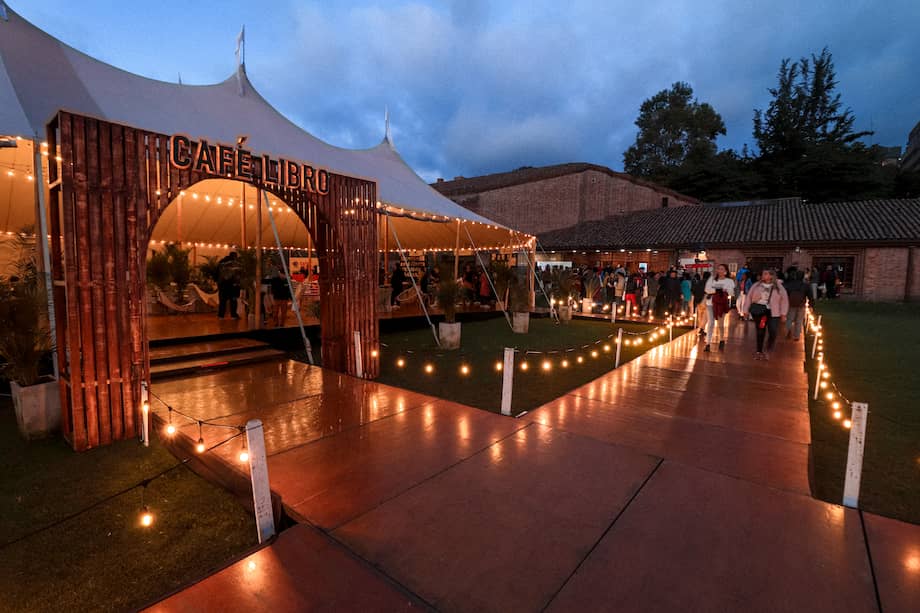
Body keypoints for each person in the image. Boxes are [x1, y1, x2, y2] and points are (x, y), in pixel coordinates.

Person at [743, 269, 789, 360]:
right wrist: (745, 310)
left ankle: (768, 349)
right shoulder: (756, 285)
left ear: (771, 276)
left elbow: (784, 300)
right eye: (763, 273)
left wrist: (783, 313)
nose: (763, 275)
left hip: (773, 313)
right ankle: (759, 351)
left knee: (773, 331)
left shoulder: (778, 287)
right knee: (760, 330)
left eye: (766, 274)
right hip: (761, 312)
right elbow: (749, 297)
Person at [703, 264, 735, 352]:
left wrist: (723, 289)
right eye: (719, 269)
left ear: (725, 271)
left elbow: (731, 292)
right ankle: (708, 343)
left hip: (722, 304)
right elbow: (707, 289)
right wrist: (718, 289)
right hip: (711, 303)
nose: (720, 270)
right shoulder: (712, 279)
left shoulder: (729, 281)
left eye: (722, 269)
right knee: (711, 323)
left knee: (720, 324)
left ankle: (721, 339)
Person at [784, 270, 807, 341]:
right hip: (801, 304)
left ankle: (788, 331)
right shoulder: (805, 285)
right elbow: (810, 295)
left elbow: (786, 293)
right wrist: (811, 305)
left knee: (789, 319)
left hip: (791, 304)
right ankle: (796, 336)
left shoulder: (790, 284)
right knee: (799, 320)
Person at [217, 251, 241, 319]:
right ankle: (233, 315)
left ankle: (220, 316)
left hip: (222, 285)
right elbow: (237, 275)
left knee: (222, 301)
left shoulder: (221, 262)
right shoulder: (234, 263)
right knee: (233, 301)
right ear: (234, 256)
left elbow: (217, 273)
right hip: (232, 286)